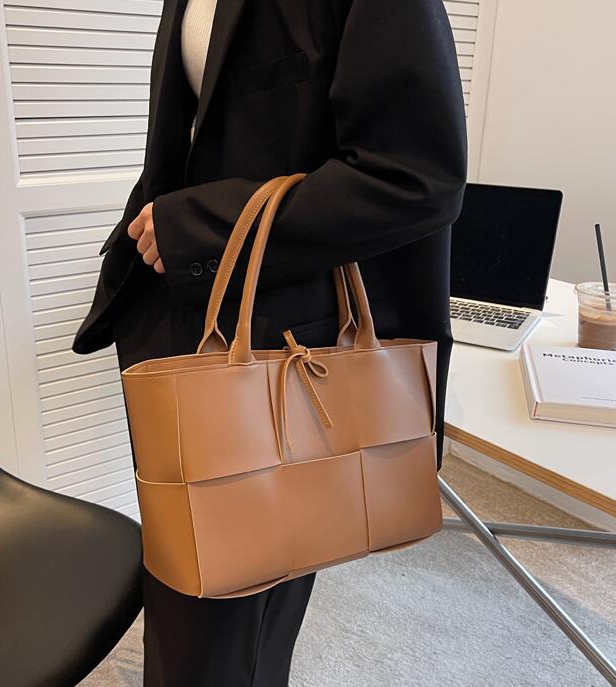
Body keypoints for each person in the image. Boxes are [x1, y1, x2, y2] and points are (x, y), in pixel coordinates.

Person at [72, 1, 468, 685]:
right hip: (181, 329)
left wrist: (194, 226)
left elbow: (414, 177)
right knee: (201, 610)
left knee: (217, 632)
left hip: (276, 349)